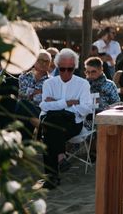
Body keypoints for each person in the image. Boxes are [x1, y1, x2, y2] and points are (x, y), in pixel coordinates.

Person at [39, 49, 93, 189]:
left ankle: (51, 177)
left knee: (50, 127)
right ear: (57, 67)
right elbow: (44, 106)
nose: (66, 72)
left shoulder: (82, 84)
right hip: (54, 122)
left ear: (74, 67)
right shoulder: (49, 84)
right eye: (62, 69)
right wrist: (68, 102)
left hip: (73, 123)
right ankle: (61, 158)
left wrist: (57, 103)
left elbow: (86, 108)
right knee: (52, 124)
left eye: (70, 69)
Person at [16, 50, 51, 139]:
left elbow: (47, 99)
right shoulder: (23, 77)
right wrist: (39, 92)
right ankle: (41, 126)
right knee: (24, 107)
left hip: (42, 111)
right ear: (34, 61)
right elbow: (21, 94)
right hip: (25, 109)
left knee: (24, 107)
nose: (44, 63)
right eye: (40, 60)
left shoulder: (52, 81)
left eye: (47, 61)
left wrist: (31, 93)